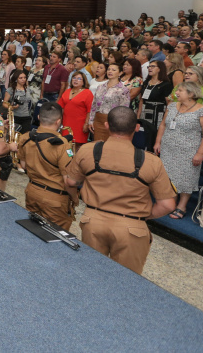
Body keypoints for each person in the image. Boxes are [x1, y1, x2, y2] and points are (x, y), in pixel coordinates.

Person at [64, 107, 177, 275]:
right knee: (125, 281)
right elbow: (167, 205)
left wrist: (75, 201)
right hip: (131, 227)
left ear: (107, 125)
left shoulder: (88, 150)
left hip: (93, 221)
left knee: (92, 274)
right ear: (136, 128)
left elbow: (71, 181)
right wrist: (142, 215)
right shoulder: (151, 161)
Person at [154, 81, 203, 219]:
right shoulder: (172, 106)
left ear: (191, 94)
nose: (176, 93)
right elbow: (163, 125)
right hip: (168, 148)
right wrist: (158, 142)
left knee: (186, 178)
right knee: (168, 176)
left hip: (189, 151)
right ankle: (170, 202)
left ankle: (182, 206)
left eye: (180, 91)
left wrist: (200, 153)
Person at [17, 102, 79, 230]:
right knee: (55, 238)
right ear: (58, 121)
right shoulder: (62, 144)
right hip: (55, 200)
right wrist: (75, 198)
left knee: (32, 231)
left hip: (32, 192)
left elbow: (23, 165)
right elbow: (68, 181)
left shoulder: (26, 137)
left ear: (39, 117)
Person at [88, 64, 131, 142]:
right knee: (97, 144)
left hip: (113, 121)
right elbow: (94, 104)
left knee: (110, 144)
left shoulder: (123, 89)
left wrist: (119, 124)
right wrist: (91, 120)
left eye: (114, 70)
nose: (110, 72)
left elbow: (124, 109)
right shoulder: (100, 87)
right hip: (98, 119)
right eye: (109, 69)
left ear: (120, 73)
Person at [58, 71, 93, 150]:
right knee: (66, 144)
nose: (76, 80)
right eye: (74, 78)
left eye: (79, 78)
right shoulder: (67, 91)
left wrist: (86, 124)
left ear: (83, 81)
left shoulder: (87, 93)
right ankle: (68, 160)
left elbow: (89, 110)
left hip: (80, 124)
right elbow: (61, 107)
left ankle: (76, 161)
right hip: (67, 123)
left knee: (77, 145)